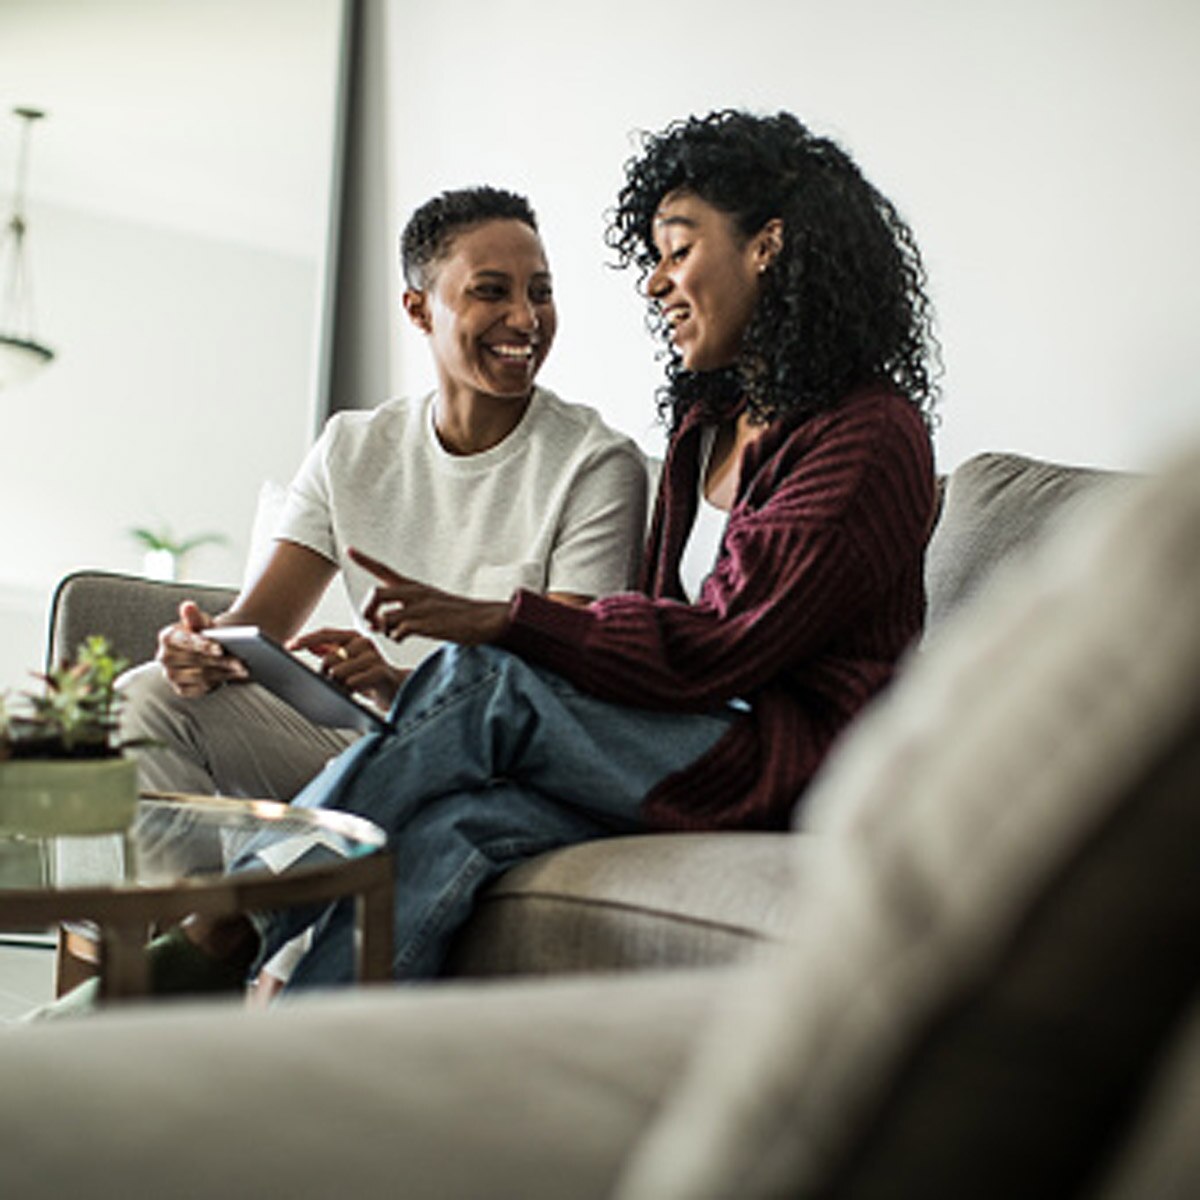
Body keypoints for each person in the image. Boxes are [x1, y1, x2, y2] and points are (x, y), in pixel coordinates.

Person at [59, 108, 940, 1002]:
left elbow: (721, 642)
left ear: (768, 247)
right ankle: (286, 1058)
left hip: (787, 769)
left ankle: (229, 919)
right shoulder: (705, 426)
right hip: (681, 744)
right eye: (654, 259)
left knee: (489, 676)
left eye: (678, 251)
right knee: (451, 827)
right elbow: (660, 638)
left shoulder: (868, 437)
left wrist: (504, 621)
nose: (655, 284)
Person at [119, 185, 649, 804]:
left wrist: (400, 685)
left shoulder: (598, 464)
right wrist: (202, 647)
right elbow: (258, 624)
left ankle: (238, 901)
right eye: (491, 290)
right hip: (363, 734)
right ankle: (196, 900)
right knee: (146, 696)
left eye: (540, 292)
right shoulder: (352, 446)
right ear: (420, 310)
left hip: (493, 755)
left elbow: (560, 684)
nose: (527, 319)